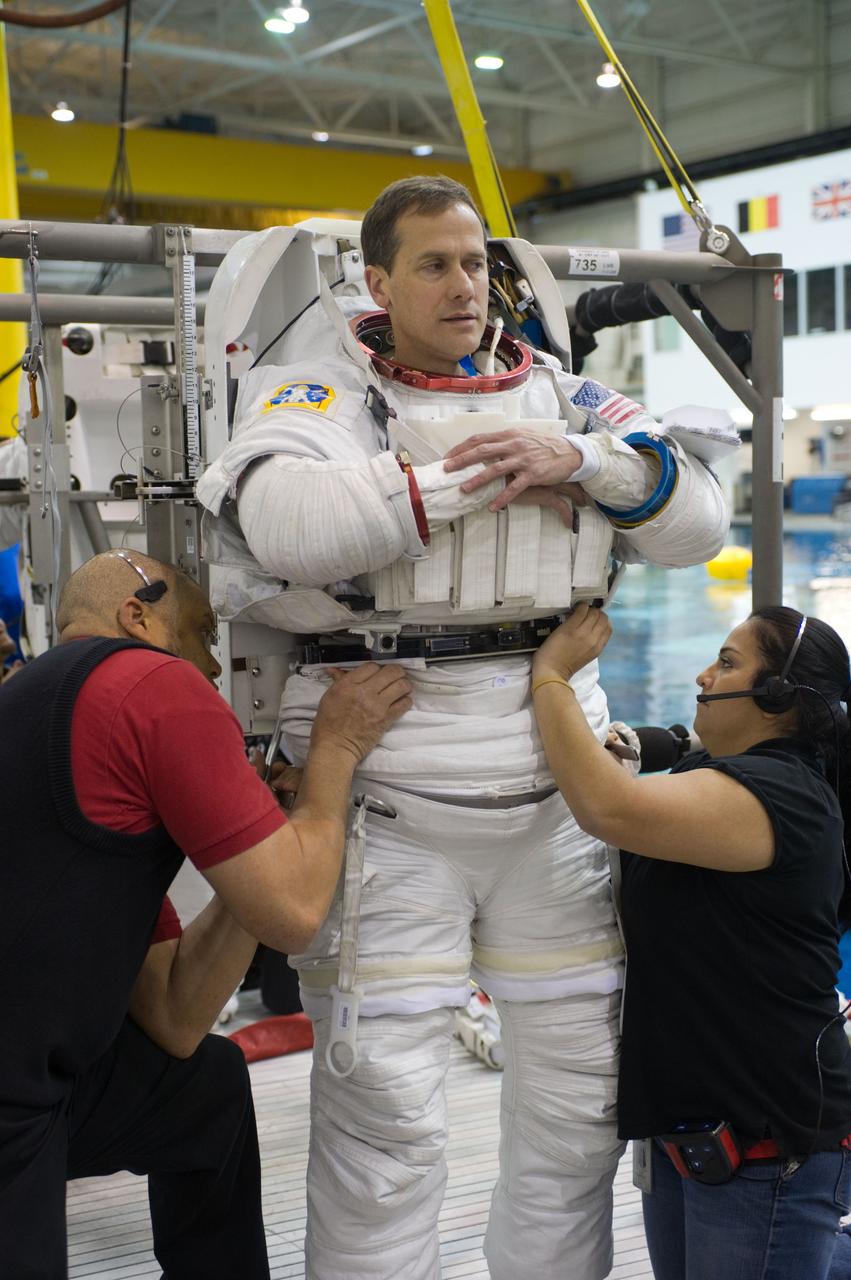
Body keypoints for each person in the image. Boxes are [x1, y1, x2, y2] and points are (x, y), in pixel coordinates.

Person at [196, 174, 735, 1280]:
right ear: (376, 279)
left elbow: (696, 518)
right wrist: (484, 477)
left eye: (474, 263)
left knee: (576, 1102)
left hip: (554, 781)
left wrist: (577, 461)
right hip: (392, 778)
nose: (462, 285)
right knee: (385, 1112)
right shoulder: (316, 395)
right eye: (433, 264)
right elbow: (289, 519)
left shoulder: (561, 395)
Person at [0, 549, 411, 1280]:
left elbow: (174, 1018)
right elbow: (294, 916)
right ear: (139, 616)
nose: (216, 669)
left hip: (39, 1074)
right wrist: (336, 752)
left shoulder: (41, 712)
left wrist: (265, 844)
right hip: (12, 1101)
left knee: (204, 1088)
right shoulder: (148, 680)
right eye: (200, 634)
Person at [529, 602, 851, 1280]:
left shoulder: (778, 795)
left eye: (727, 664)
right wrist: (652, 745)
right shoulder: (753, 782)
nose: (704, 675)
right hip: (696, 1131)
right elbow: (690, 760)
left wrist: (551, 676)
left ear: (775, 697)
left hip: (764, 1143)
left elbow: (606, 809)